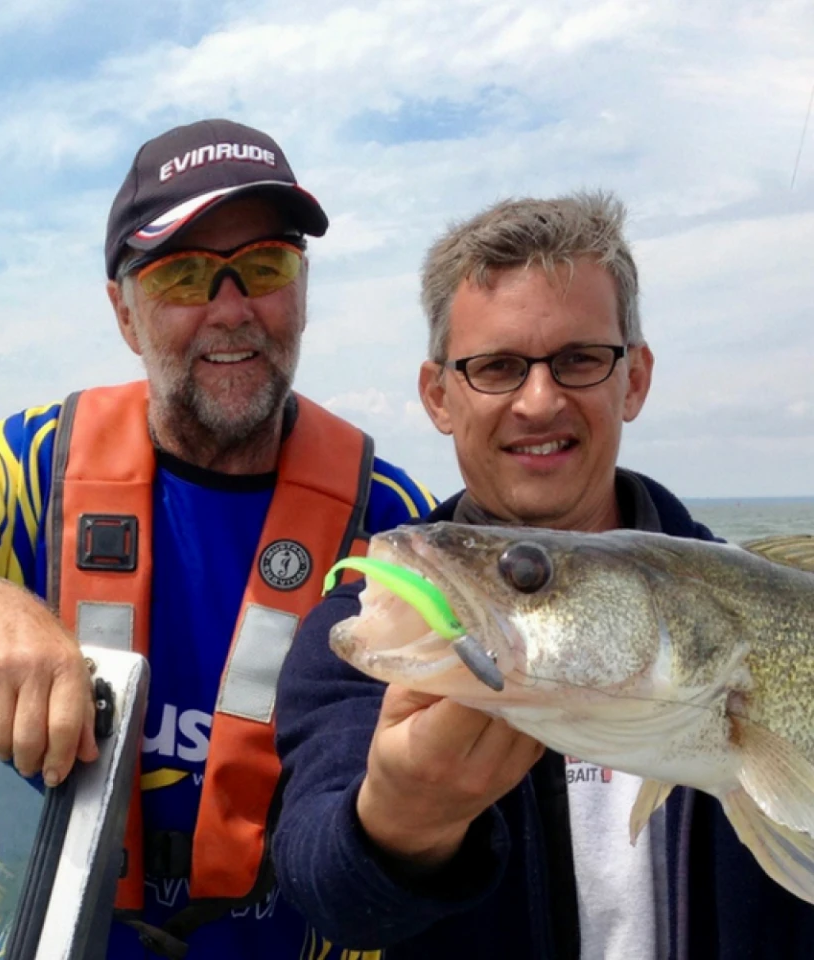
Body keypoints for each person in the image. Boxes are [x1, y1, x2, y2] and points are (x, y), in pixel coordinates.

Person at [0, 118, 435, 959]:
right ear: (124, 313)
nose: (230, 309)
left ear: (302, 292)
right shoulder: (38, 467)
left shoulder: (383, 519)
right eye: (183, 276)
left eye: (264, 267)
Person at [272, 192, 814, 959]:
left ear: (634, 377)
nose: (539, 400)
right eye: (495, 367)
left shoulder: (749, 600)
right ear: (439, 396)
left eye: (579, 360)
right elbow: (321, 883)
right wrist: (399, 824)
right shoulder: (376, 630)